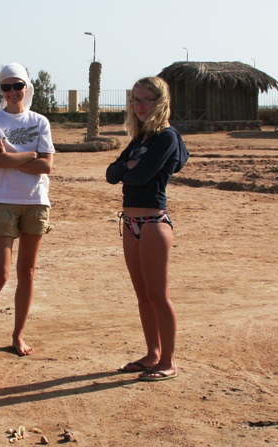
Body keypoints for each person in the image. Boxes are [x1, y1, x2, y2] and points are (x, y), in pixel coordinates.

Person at [0, 62, 55, 356]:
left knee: (27, 272)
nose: (13, 91)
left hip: (36, 201)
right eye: (7, 86)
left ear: (26, 87)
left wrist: (16, 154)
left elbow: (47, 166)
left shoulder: (40, 121)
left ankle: (18, 336)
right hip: (3, 200)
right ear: (1, 90)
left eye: (18, 86)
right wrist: (31, 154)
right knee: (0, 275)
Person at [105, 76, 189, 381]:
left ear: (160, 102)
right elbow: (111, 174)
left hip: (154, 223)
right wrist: (128, 169)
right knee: (142, 295)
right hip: (130, 223)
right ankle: (152, 353)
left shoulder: (167, 137)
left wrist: (128, 169)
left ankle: (168, 361)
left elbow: (140, 177)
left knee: (158, 295)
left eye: (146, 100)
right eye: (135, 100)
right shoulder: (140, 139)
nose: (139, 106)